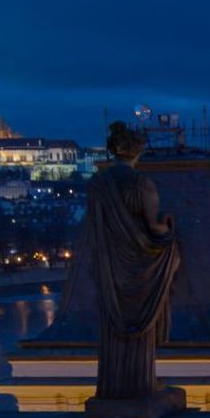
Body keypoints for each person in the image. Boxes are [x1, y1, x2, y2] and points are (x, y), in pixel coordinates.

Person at [86, 121, 181, 403]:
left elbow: (93, 229)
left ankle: (115, 383)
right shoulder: (141, 183)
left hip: (109, 268)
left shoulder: (98, 185)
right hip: (138, 268)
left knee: (113, 329)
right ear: (137, 152)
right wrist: (168, 226)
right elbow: (154, 228)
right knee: (171, 258)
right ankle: (142, 381)